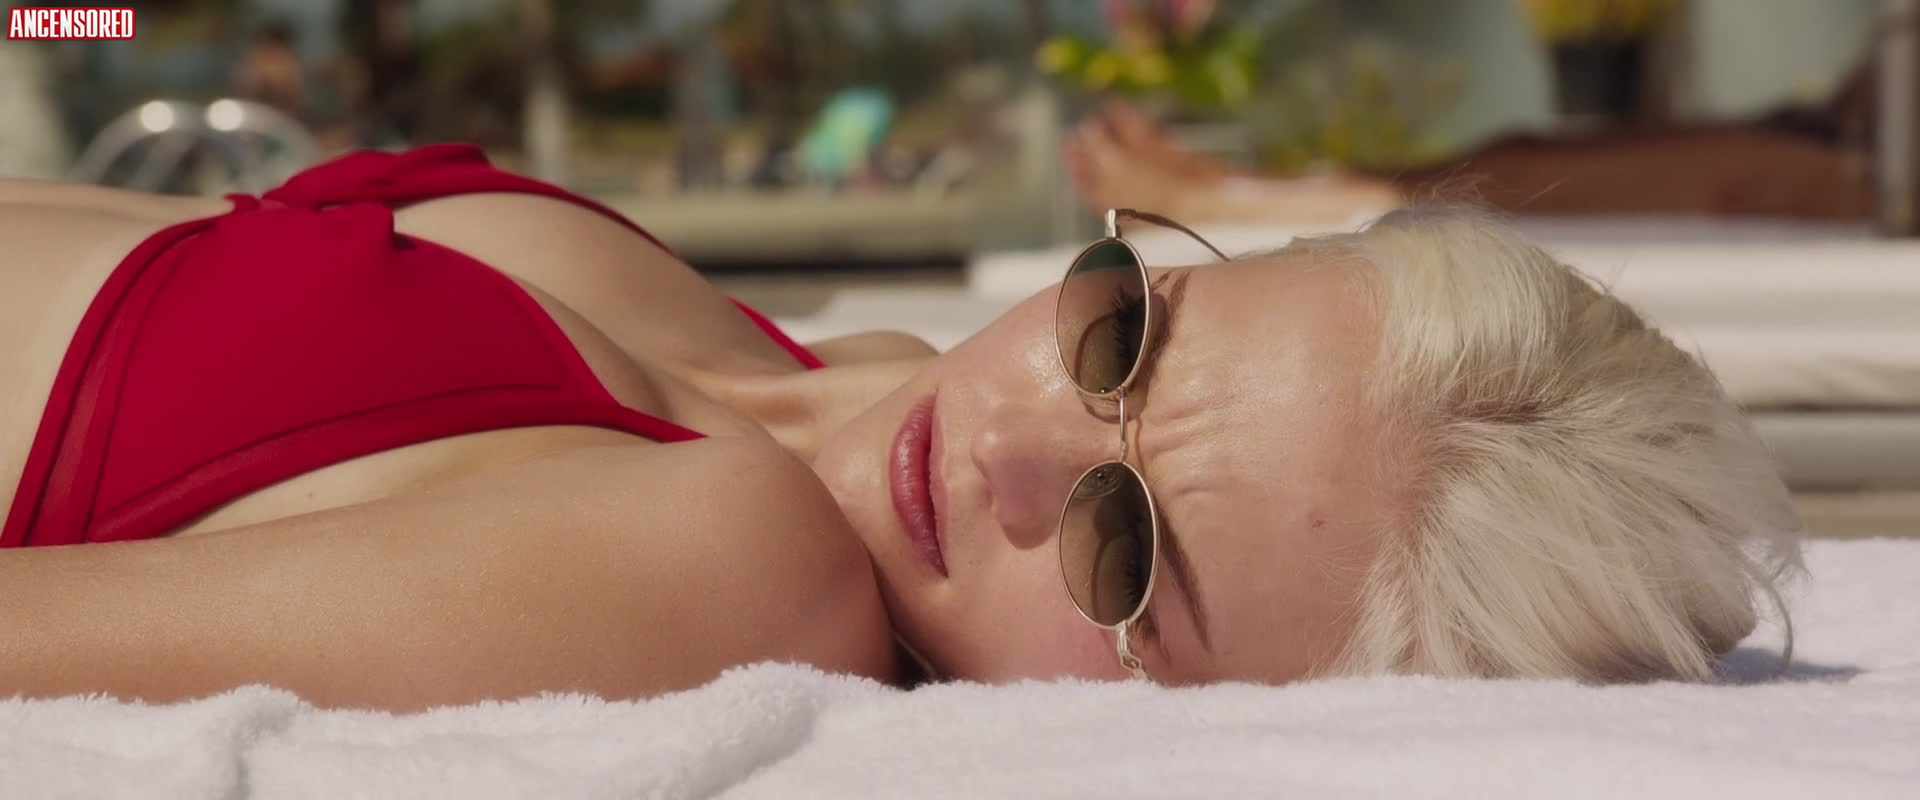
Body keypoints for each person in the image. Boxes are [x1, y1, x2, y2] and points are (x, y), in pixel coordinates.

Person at [0, 144, 1802, 712]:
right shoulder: (847, 364)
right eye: (1120, 334)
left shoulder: (733, 564)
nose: (1011, 451)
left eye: (1123, 549)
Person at [1067, 85, 1878, 224]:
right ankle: (1240, 183)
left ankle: (1213, 203)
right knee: (1514, 149)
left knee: (1511, 181)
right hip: (1856, 141)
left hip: (1862, 180)